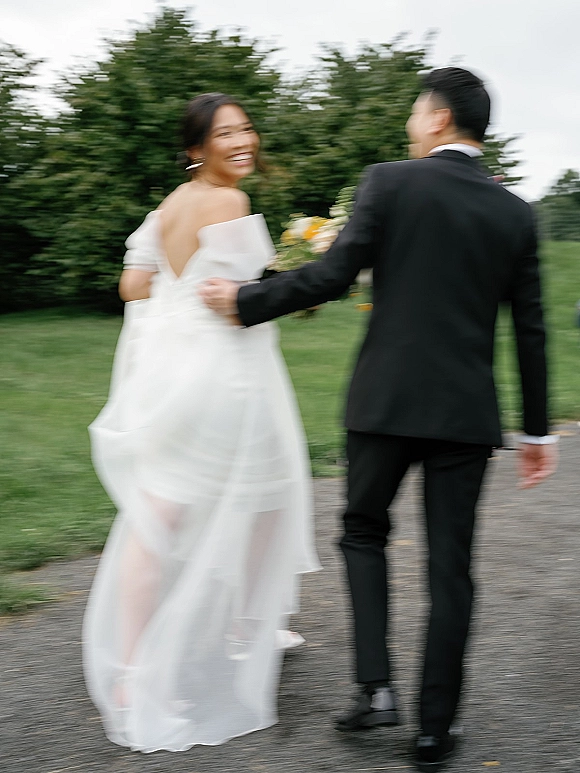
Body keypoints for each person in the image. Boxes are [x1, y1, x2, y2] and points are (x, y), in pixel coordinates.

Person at [200, 68, 558, 771]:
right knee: (450, 570)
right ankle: (433, 731)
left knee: (363, 531)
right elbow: (532, 328)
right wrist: (538, 431)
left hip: (385, 404)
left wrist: (244, 301)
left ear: (437, 118)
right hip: (465, 414)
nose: (409, 122)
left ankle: (376, 689)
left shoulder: (389, 182)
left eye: (415, 110)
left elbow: (333, 278)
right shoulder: (516, 214)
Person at [83, 93, 320, 753]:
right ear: (196, 149)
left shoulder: (165, 211)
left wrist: (185, 295)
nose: (243, 140)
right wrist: (298, 274)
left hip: (172, 369)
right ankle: (247, 624)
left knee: (159, 513)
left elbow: (134, 285)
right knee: (270, 496)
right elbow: (252, 294)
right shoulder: (230, 203)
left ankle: (130, 668)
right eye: (226, 133)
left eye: (246, 128)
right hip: (230, 374)